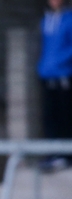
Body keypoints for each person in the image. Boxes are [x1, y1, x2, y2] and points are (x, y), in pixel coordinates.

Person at [37, 0, 72, 171]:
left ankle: (66, 155)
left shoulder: (69, 19)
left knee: (64, 116)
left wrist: (61, 62)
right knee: (49, 116)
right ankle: (53, 153)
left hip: (63, 75)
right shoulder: (45, 20)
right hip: (47, 74)